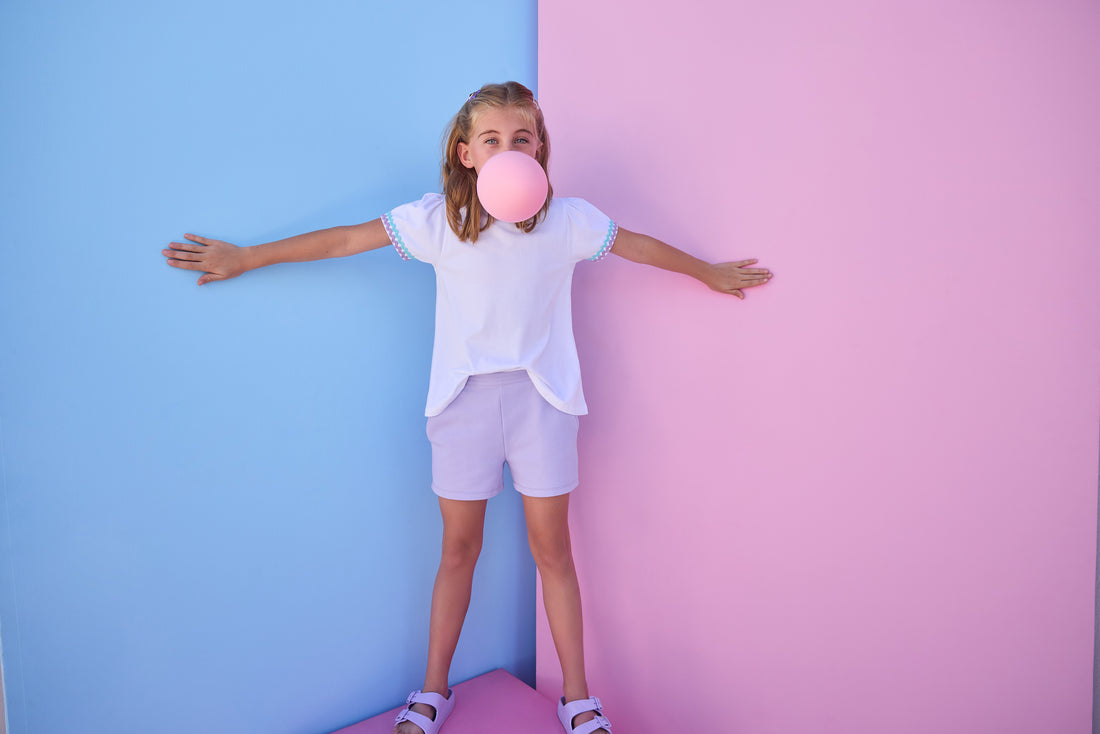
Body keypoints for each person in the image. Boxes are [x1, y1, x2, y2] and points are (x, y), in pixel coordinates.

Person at [162, 81, 771, 734]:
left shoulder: (568, 220)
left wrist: (706, 270)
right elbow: (344, 242)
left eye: (523, 139)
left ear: (540, 151)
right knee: (457, 550)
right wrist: (250, 256)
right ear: (466, 153)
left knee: (553, 552)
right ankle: (432, 692)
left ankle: (578, 699)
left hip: (544, 402)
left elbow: (636, 244)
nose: (509, 149)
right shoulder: (437, 222)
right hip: (462, 406)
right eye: (493, 140)